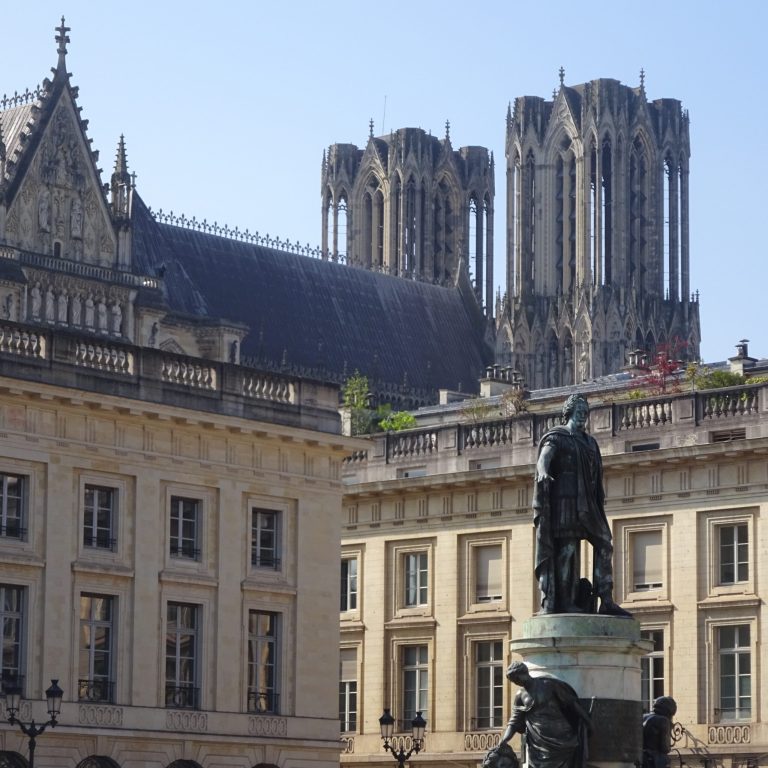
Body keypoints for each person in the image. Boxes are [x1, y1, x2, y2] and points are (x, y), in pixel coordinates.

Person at [533, 393, 630, 615]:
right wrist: (543, 473)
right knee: (568, 550)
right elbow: (544, 459)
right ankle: (565, 601)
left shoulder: (590, 442)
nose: (583, 417)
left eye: (585, 413)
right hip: (565, 500)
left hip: (588, 502)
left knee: (605, 542)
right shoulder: (557, 437)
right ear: (569, 412)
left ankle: (606, 599)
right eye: (579, 412)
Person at [498, 661, 591, 768]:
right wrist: (504, 740)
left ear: (524, 672)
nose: (517, 682)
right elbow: (513, 722)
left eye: (517, 678)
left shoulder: (548, 685)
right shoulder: (520, 696)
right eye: (514, 681)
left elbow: (572, 704)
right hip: (538, 742)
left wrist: (587, 721)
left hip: (561, 736)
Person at [642, 696, 677, 768]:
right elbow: (665, 748)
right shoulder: (663, 720)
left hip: (642, 758)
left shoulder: (643, 716)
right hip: (654, 760)